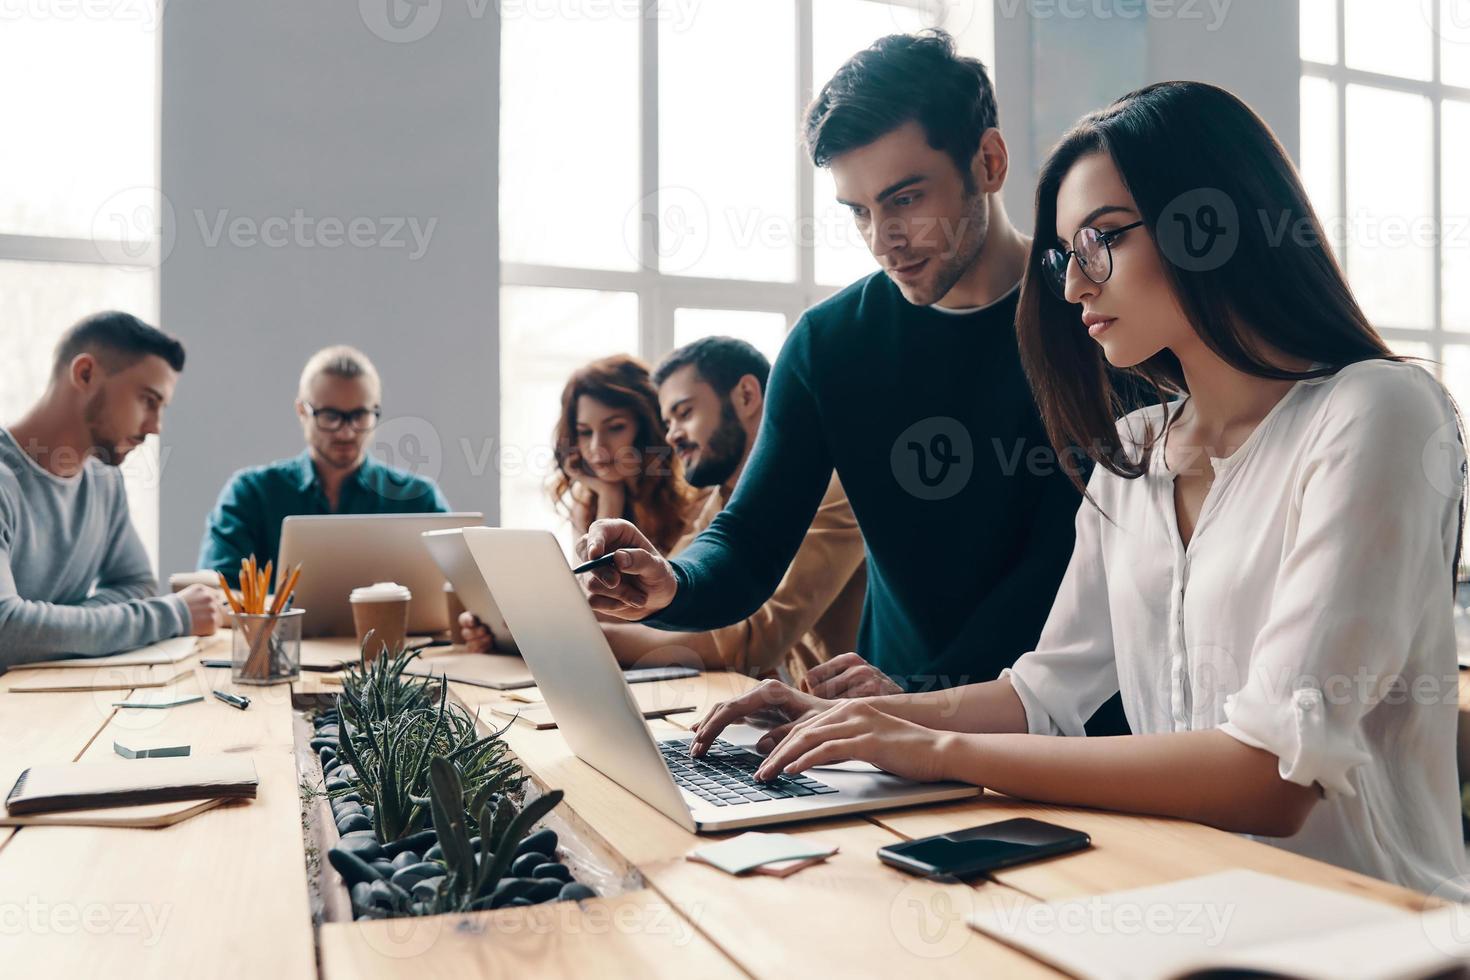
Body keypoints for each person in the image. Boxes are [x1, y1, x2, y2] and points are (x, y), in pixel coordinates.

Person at [684, 81, 1469, 897]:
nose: (1072, 287)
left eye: (1104, 240)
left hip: (1368, 926)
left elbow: (1271, 775)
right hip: (1186, 897)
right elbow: (1045, 691)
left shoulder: (1377, 410)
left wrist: (936, 750)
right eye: (1065, 253)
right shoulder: (1136, 449)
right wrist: (858, 724)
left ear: (1209, 224)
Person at [577, 32, 1127, 725]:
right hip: (889, 732)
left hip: (1077, 738)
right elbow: (748, 543)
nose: (881, 238)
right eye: (859, 211)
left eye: (905, 199)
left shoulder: (1098, 315)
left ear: (988, 162)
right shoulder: (828, 345)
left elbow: (1071, 565)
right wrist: (670, 581)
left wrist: (922, 699)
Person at [462, 337, 869, 688]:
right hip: (793, 709)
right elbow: (657, 604)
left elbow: (748, 643)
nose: (672, 434)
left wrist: (556, 637)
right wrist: (521, 620)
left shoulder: (828, 490)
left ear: (747, 396)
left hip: (856, 720)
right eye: (667, 419)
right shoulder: (721, 501)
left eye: (685, 412)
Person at [0, 312, 221, 669]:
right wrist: (172, 614)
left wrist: (47, 626)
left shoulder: (104, 480)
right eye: (148, 400)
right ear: (85, 374)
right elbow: (6, 633)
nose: (155, 427)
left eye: (161, 407)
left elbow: (136, 585)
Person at [198, 345, 450, 585]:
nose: (346, 433)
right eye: (330, 416)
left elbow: (462, 592)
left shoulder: (419, 499)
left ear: (375, 411)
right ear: (302, 412)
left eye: (359, 416)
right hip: (274, 633)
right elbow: (217, 595)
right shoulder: (250, 495)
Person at [548, 354, 698, 556]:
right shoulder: (587, 504)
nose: (597, 447)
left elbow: (670, 584)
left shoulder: (695, 502)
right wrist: (610, 497)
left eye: (615, 427)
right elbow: (593, 586)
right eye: (585, 432)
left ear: (647, 427)